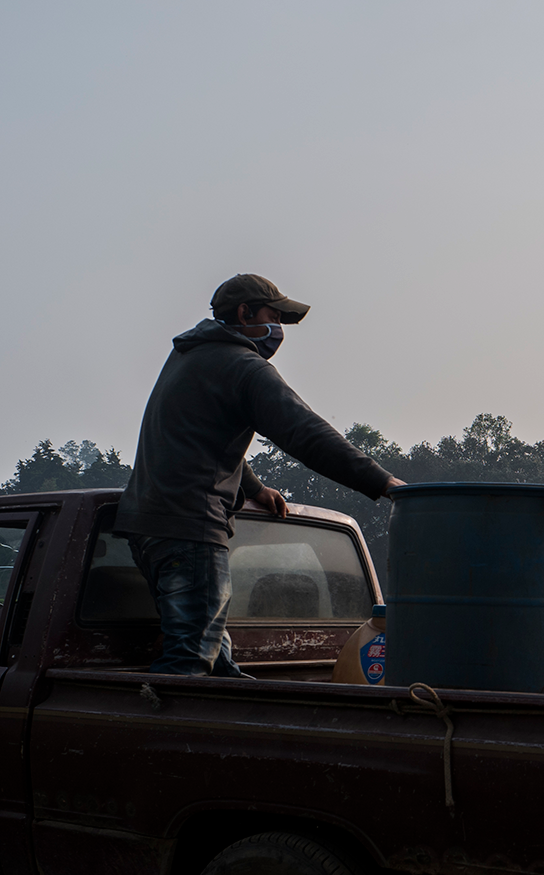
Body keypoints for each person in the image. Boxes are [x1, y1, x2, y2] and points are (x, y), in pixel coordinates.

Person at [116, 274, 404, 676]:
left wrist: (252, 487)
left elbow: (204, 438)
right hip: (189, 528)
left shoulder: (190, 357)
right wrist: (384, 483)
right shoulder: (240, 365)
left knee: (215, 657)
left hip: (149, 525)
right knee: (190, 660)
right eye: (274, 316)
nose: (279, 330)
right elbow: (304, 432)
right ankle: (164, 733)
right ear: (244, 312)